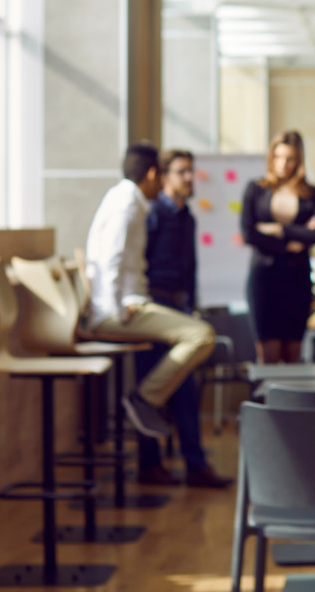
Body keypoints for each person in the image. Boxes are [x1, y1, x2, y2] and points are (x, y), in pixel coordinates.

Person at [81, 143, 215, 440]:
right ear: (154, 174)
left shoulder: (126, 200)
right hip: (113, 312)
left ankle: (146, 401)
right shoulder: (127, 205)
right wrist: (119, 310)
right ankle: (144, 399)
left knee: (197, 338)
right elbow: (111, 261)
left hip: (128, 304)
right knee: (201, 335)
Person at [134, 148, 232, 488]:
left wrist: (192, 306)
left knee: (184, 390)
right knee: (149, 391)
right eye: (182, 172)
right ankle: (149, 465)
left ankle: (195, 466)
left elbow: (190, 269)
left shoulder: (187, 216)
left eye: (191, 171)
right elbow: (141, 262)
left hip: (179, 309)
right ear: (163, 177)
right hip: (154, 309)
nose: (190, 178)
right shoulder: (152, 214)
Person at [241, 131, 315, 365]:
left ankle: (291, 402)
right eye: (278, 157)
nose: (283, 164)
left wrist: (279, 230)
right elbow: (248, 233)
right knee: (268, 355)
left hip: (297, 279)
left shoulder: (311, 193)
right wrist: (293, 241)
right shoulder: (256, 189)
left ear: (298, 160)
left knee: (293, 355)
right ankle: (264, 401)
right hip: (264, 279)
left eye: (289, 158)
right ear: (271, 157)